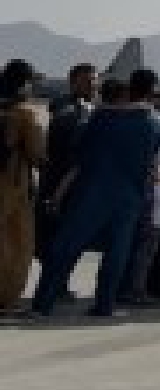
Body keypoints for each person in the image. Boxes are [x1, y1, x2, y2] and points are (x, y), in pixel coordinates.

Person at [31, 73, 160, 319]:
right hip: (129, 197)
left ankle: (43, 303)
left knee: (65, 248)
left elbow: (79, 153)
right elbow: (151, 161)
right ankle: (104, 305)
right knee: (117, 252)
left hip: (92, 192)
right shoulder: (155, 125)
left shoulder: (100, 119)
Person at [122, 84, 160, 305]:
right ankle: (137, 289)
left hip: (127, 187)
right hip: (157, 188)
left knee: (126, 240)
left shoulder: (124, 120)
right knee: (147, 244)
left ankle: (122, 286)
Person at [1, 59, 48, 311]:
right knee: (18, 243)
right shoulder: (25, 113)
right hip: (13, 186)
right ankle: (6, 297)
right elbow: (37, 154)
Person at [36, 62, 94, 268]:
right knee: (53, 230)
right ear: (73, 81)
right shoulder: (65, 107)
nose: (92, 84)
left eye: (93, 80)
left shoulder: (90, 109)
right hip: (59, 175)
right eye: (87, 80)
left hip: (78, 181)